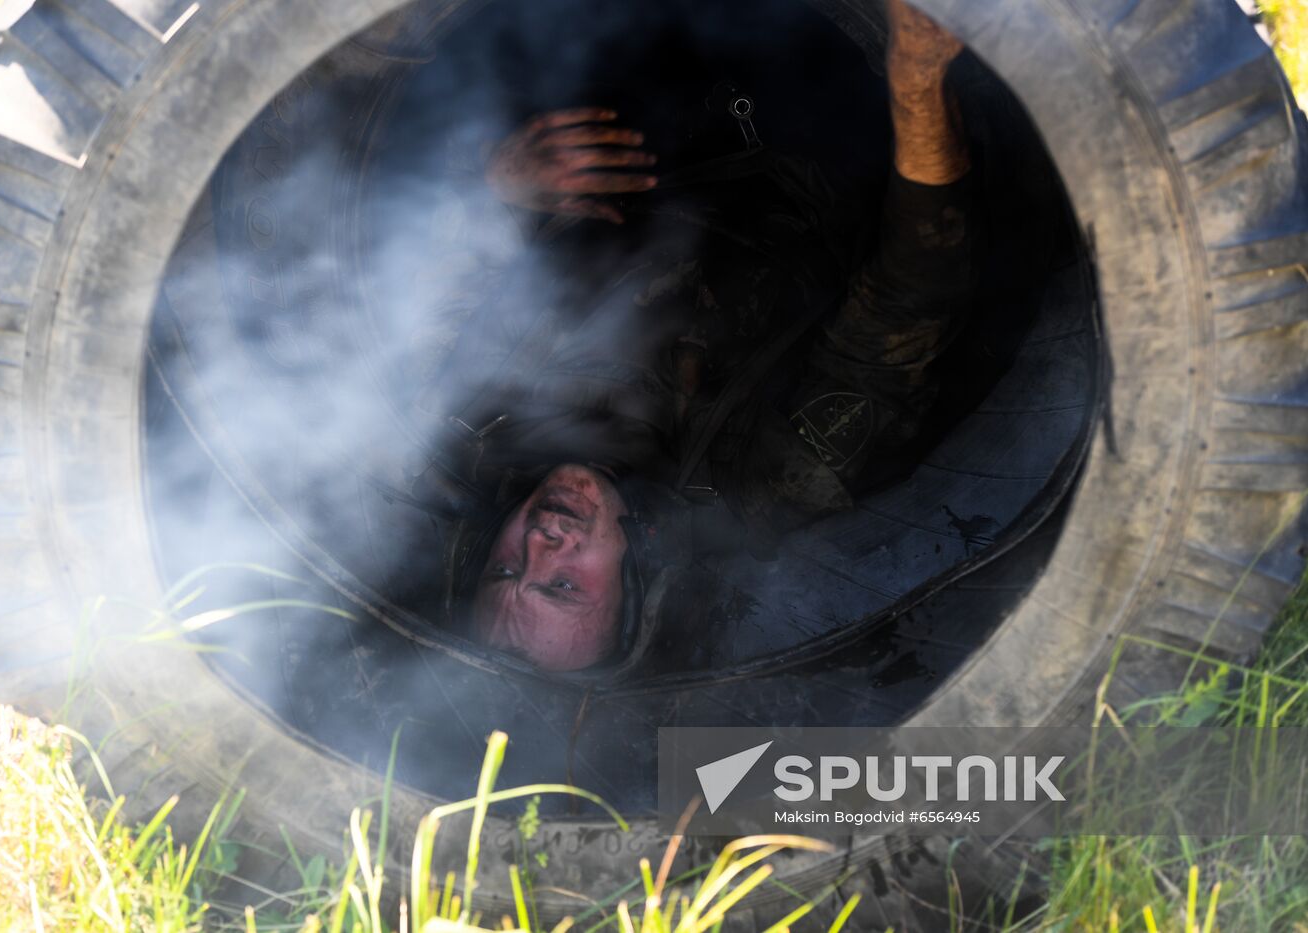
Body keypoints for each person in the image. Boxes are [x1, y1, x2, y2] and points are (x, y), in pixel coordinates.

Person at [412, 0, 978, 673]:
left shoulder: (477, 429)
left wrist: (497, 184)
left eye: (505, 568)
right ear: (639, 581)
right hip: (815, 130)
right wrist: (917, 82)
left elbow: (422, 280)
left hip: (618, 111)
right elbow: (911, 294)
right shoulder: (768, 483)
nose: (540, 539)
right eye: (564, 583)